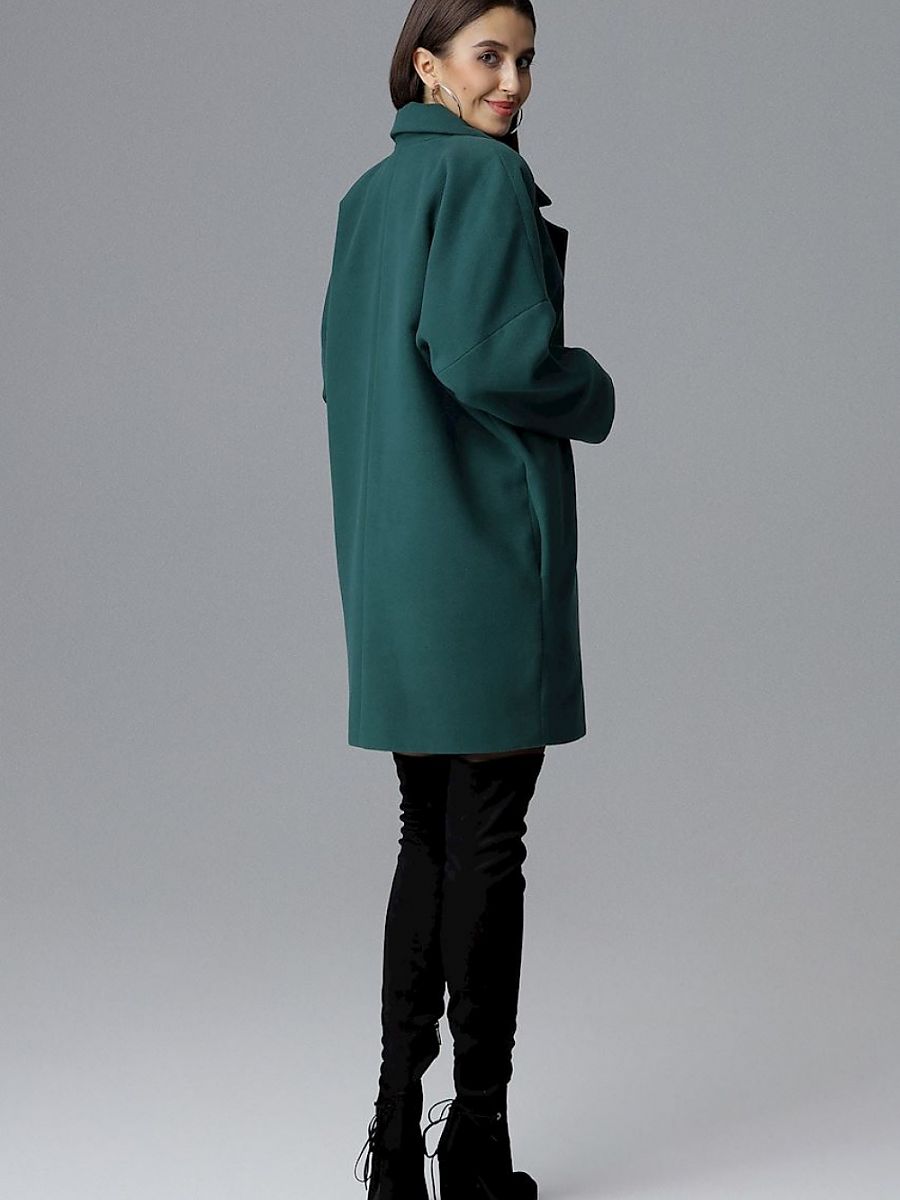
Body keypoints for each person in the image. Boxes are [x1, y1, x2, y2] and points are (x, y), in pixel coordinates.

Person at [321, 3, 615, 1196]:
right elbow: (490, 356)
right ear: (425, 64)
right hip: (483, 554)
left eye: (526, 59)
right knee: (491, 840)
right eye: (489, 56)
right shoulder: (485, 180)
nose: (514, 83)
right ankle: (477, 1144)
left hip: (391, 557)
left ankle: (395, 1141)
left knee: (426, 833)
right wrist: (589, 389)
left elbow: (346, 376)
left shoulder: (366, 200)